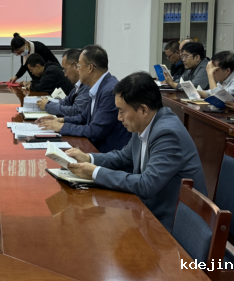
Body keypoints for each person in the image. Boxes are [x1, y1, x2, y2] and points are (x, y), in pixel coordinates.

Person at [64, 72, 207, 230]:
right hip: (148, 211)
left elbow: (146, 184)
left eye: (122, 111)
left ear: (143, 110)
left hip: (175, 224)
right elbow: (123, 157)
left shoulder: (167, 134)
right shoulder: (145, 124)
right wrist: (88, 158)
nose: (119, 118)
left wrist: (94, 173)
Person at [37, 45, 129, 153]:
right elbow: (83, 117)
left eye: (79, 66)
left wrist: (61, 127)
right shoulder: (98, 86)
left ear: (90, 68)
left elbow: (94, 131)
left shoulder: (109, 91)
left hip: (106, 153)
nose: (77, 69)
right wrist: (60, 120)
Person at [37, 49, 90, 117]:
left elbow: (75, 112)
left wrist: (47, 106)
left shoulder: (87, 86)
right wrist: (48, 102)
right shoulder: (78, 86)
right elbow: (66, 102)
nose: (65, 75)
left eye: (65, 69)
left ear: (76, 66)